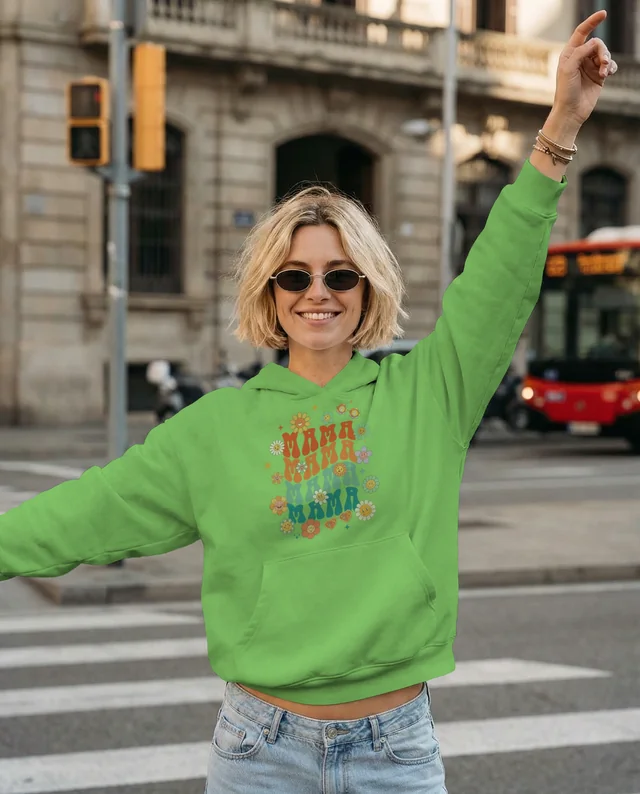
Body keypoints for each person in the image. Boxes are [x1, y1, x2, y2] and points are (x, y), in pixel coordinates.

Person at [0, 11, 617, 793]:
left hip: (396, 749)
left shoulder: (429, 393)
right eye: (293, 276)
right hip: (261, 752)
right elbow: (88, 512)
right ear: (269, 292)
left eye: (339, 275)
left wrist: (560, 126)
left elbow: (497, 280)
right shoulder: (216, 427)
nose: (316, 292)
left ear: (368, 288)